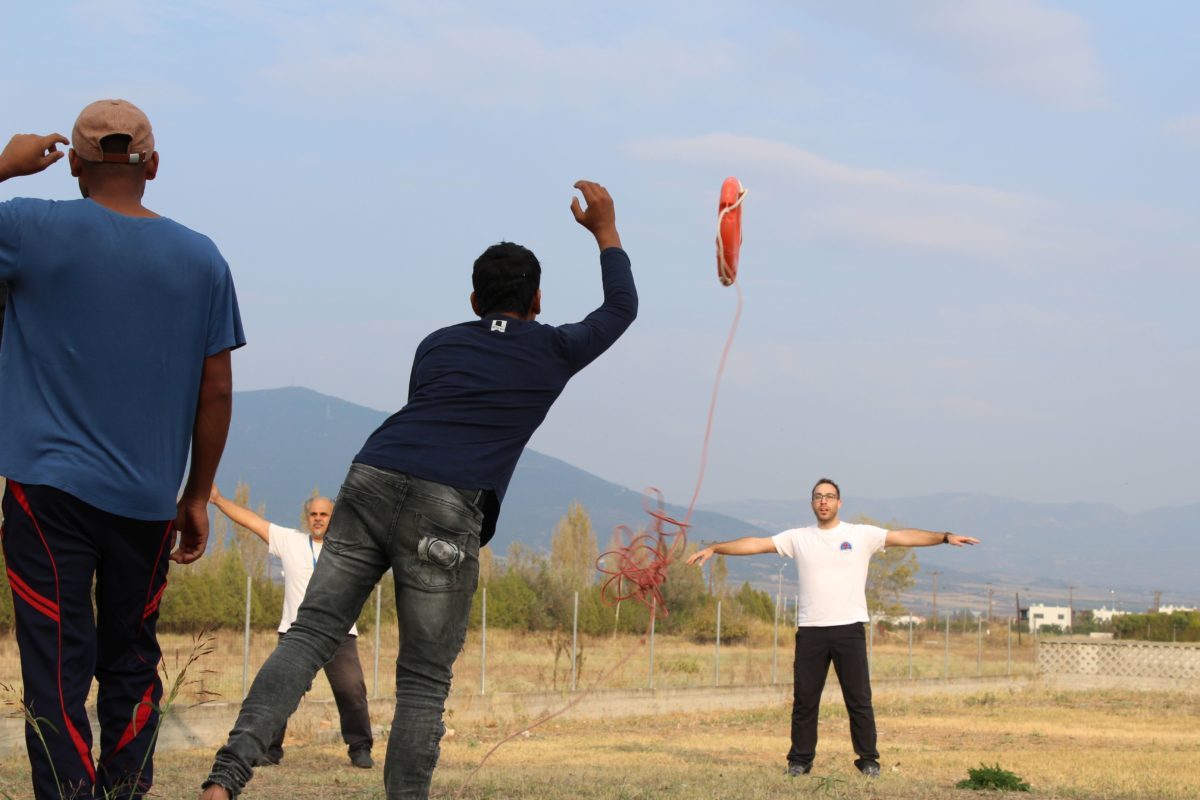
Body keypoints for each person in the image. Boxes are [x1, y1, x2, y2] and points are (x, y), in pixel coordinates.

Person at [200, 180, 636, 800]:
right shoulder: (555, 347)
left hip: (374, 473)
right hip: (447, 505)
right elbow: (621, 309)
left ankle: (225, 778)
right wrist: (606, 232)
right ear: (537, 300)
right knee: (423, 683)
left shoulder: (438, 343)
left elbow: (424, 409)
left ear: (473, 298)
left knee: (310, 634)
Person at [0, 100, 245, 799]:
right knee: (132, 660)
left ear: (73, 164)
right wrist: (196, 496)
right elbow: (216, 392)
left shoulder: (28, 228)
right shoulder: (202, 259)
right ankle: (122, 793)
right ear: (154, 166)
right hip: (146, 502)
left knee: (55, 665)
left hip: (45, 495)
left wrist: (7, 167)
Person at [687, 478, 979, 778]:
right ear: (812, 503)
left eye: (829, 496)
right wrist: (716, 549)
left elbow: (904, 536)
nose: (823, 501)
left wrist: (945, 537)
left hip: (849, 629)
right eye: (818, 496)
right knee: (805, 700)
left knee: (859, 699)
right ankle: (799, 761)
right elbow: (756, 544)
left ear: (839, 503)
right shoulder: (798, 538)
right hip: (811, 630)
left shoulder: (861, 534)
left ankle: (868, 760)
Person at [208, 486, 374, 768]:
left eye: (324, 514)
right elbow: (252, 521)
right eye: (313, 514)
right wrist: (217, 499)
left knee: (351, 690)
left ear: (334, 517)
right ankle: (270, 750)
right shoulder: (290, 541)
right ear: (306, 518)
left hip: (339, 633)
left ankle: (360, 749)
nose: (318, 519)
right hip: (296, 632)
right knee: (279, 690)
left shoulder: (349, 547)